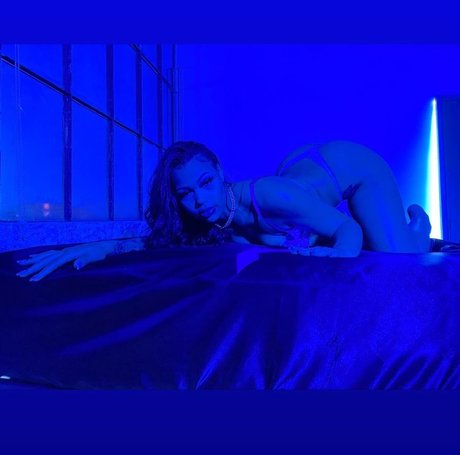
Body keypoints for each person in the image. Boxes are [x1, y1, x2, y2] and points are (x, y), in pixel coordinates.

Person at [17, 138, 438, 282]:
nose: (200, 201)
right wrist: (102, 248)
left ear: (220, 173)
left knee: (399, 256)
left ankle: (419, 224)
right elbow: (155, 244)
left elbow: (349, 233)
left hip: (350, 168)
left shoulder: (269, 197)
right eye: (186, 194)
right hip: (300, 180)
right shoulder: (213, 225)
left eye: (205, 183)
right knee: (305, 226)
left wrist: (334, 256)